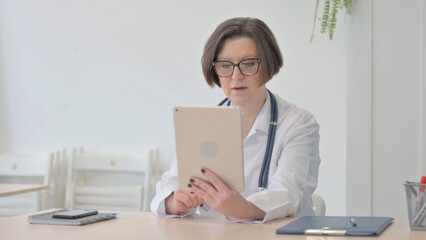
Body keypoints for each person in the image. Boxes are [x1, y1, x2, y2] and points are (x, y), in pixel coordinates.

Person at [150, 17, 320, 223]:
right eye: (225, 65)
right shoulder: (203, 124)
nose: (236, 76)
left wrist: (243, 208)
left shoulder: (298, 124)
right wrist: (176, 203)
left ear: (268, 65)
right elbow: (170, 183)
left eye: (248, 64)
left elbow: (288, 194)